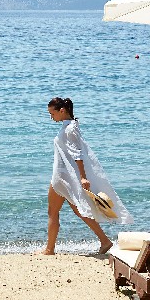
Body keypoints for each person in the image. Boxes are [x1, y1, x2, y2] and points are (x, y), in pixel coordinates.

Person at [40, 96, 132, 255]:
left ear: (62, 110)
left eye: (52, 114)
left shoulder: (69, 129)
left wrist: (83, 177)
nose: (51, 117)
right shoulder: (70, 126)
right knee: (77, 210)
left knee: (55, 212)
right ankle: (104, 241)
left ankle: (50, 249)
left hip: (62, 177)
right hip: (64, 175)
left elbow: (78, 154)